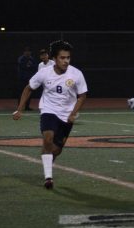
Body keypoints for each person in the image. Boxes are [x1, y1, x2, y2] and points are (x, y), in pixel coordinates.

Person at [12, 40, 88, 190]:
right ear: (54, 58)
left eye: (68, 58)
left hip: (67, 116)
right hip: (48, 110)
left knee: (57, 150)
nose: (66, 61)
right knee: (48, 139)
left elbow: (82, 96)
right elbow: (28, 88)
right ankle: (48, 178)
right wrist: (19, 109)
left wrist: (73, 113)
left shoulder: (76, 74)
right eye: (62, 58)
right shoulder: (44, 73)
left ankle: (48, 162)